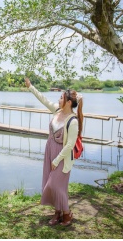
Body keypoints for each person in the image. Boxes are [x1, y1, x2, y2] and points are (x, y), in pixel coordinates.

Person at [24, 77, 83, 226]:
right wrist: (31, 87)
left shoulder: (73, 121)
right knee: (48, 182)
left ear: (69, 102)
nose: (59, 99)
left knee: (55, 185)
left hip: (62, 156)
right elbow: (43, 99)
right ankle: (57, 213)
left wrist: (56, 160)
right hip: (50, 150)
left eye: (61, 97)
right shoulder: (56, 111)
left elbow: (70, 145)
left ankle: (67, 214)